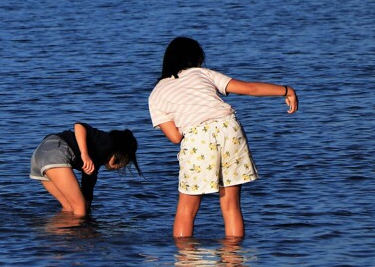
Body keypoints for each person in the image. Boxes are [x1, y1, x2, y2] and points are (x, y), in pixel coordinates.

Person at [148, 37, 298, 240]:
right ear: (195, 59)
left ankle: (186, 265)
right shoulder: (201, 74)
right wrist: (286, 90)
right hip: (229, 129)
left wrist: (190, 118)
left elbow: (175, 137)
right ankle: (233, 263)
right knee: (231, 205)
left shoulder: (156, 94)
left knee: (187, 210)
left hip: (197, 138)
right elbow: (249, 88)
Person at [30, 123, 139, 217]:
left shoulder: (95, 164)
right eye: (127, 161)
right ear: (123, 153)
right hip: (55, 150)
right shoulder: (107, 141)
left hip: (39, 156)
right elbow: (79, 126)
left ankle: (58, 238)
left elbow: (87, 195)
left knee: (69, 208)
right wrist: (84, 154)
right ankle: (78, 240)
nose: (122, 166)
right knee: (80, 209)